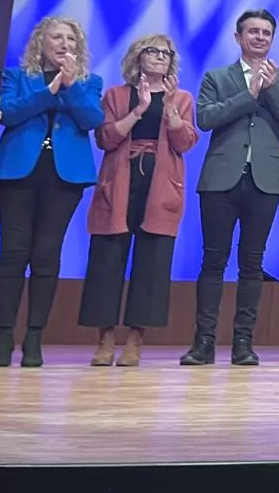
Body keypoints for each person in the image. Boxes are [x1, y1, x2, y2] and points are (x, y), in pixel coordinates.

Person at [182, 9, 279, 367]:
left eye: (266, 32)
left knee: (252, 264)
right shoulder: (217, 77)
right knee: (213, 261)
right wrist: (249, 93)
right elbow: (205, 118)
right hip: (221, 179)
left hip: (265, 181)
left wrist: (271, 91)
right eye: (253, 31)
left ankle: (243, 342)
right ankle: (203, 342)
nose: (260, 37)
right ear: (238, 37)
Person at [80, 35, 195, 367]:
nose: (160, 57)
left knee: (153, 263)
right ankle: (104, 339)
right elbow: (105, 137)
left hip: (160, 184)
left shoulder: (182, 97)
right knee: (107, 258)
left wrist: (171, 114)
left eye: (166, 54)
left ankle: (135, 340)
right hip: (120, 179)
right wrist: (140, 110)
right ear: (137, 56)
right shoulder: (117, 95)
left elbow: (185, 142)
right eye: (153, 51)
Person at [0, 17, 104, 367]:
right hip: (17, 172)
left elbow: (91, 119)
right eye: (56, 37)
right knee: (14, 252)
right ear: (40, 42)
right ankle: (2, 336)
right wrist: (51, 90)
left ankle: (33, 338)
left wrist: (70, 86)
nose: (64, 44)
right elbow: (9, 114)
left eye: (70, 39)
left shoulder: (89, 82)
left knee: (46, 254)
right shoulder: (17, 77)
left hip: (64, 176)